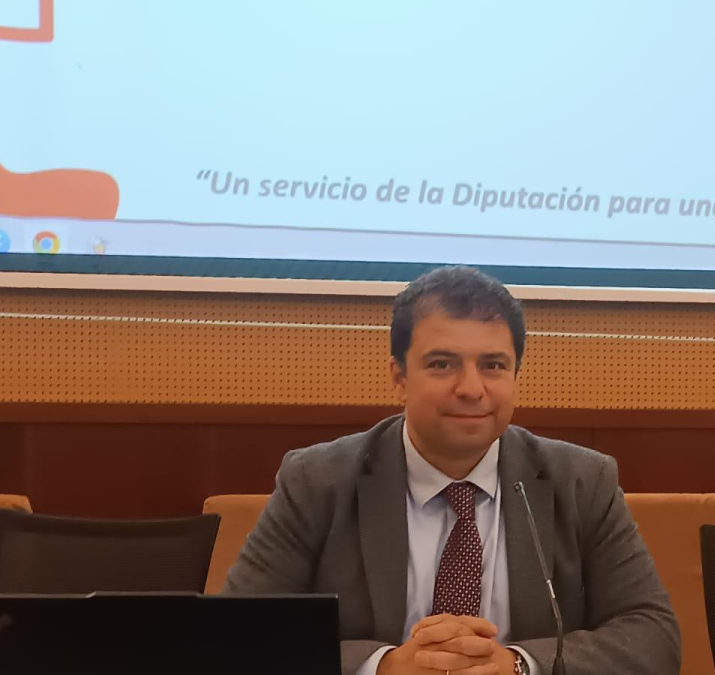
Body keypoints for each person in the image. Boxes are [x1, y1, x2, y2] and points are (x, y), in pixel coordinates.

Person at [225, 265, 681, 675]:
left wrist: (521, 666)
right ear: (399, 377)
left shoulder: (582, 481)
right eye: (443, 364)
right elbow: (237, 636)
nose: (471, 389)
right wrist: (380, 667)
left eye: (493, 366)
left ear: (516, 374)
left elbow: (653, 637)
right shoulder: (318, 480)